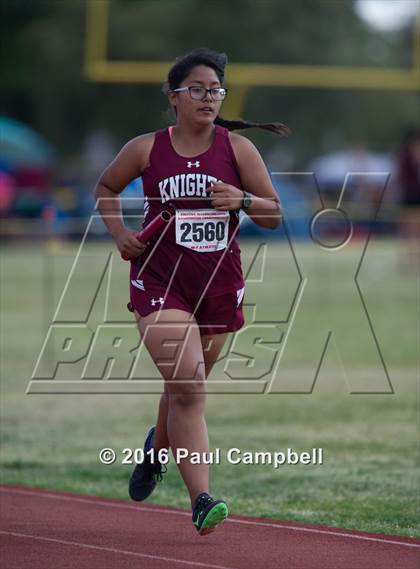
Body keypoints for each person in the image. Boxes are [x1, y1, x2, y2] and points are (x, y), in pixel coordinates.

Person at [94, 47, 290, 536]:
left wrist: (242, 199)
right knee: (190, 386)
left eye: (215, 90)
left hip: (218, 285)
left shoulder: (238, 150)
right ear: (174, 96)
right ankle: (202, 498)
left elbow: (274, 214)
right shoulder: (146, 148)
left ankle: (156, 449)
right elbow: (106, 187)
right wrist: (119, 234)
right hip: (159, 280)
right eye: (197, 89)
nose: (208, 97)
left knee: (182, 388)